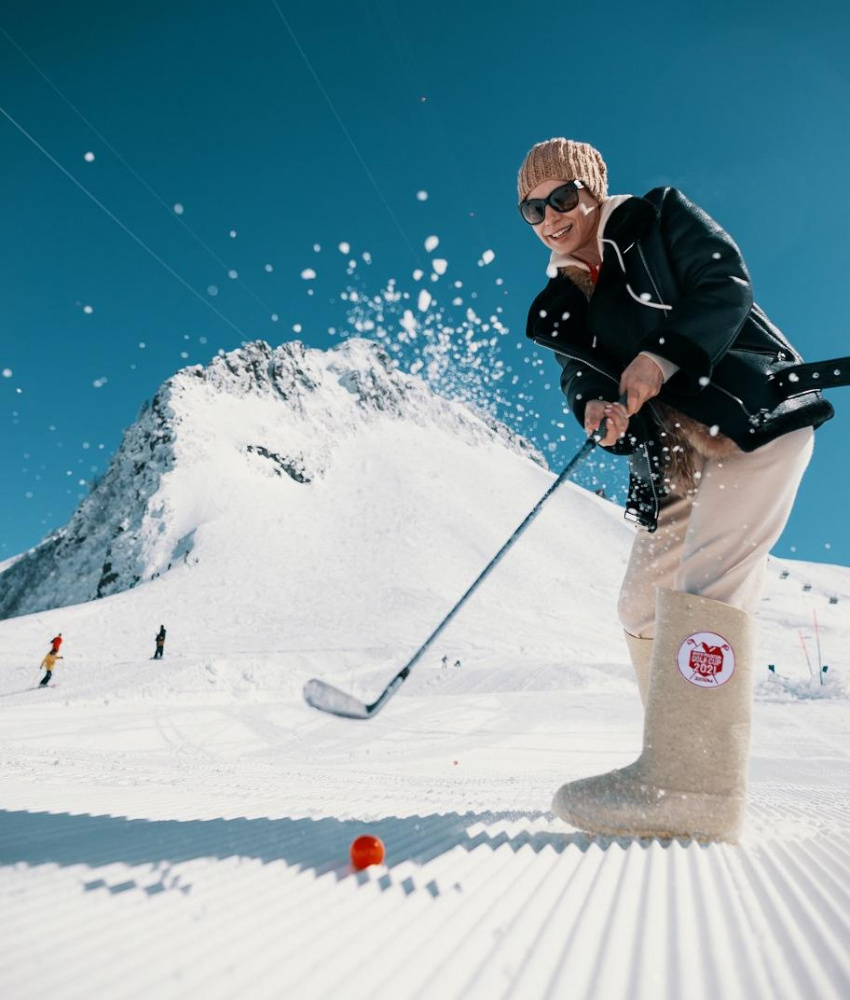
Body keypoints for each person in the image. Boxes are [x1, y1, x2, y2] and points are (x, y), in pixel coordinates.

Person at [518, 138, 842, 842]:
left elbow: (724, 287)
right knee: (641, 605)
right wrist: (597, 412)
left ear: (594, 187)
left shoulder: (657, 220)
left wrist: (661, 357)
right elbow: (585, 379)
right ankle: (673, 750)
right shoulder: (560, 303)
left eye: (562, 196)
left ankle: (694, 787)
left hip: (750, 422)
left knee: (703, 593)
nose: (550, 216)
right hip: (674, 464)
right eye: (532, 208)